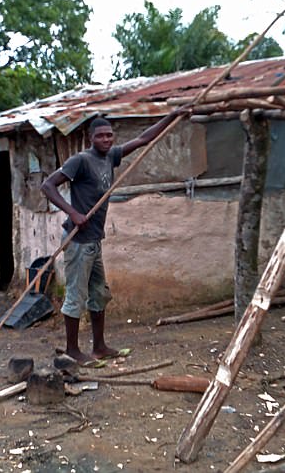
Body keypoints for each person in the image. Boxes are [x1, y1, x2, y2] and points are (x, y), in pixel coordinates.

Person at [41, 109, 187, 366]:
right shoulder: (81, 160)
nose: (107, 140)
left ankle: (99, 347)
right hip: (78, 241)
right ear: (90, 138)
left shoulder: (111, 157)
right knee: (76, 295)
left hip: (94, 240)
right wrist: (73, 213)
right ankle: (72, 350)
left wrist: (173, 116)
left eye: (110, 135)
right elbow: (48, 185)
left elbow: (143, 139)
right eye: (101, 136)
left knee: (99, 293)